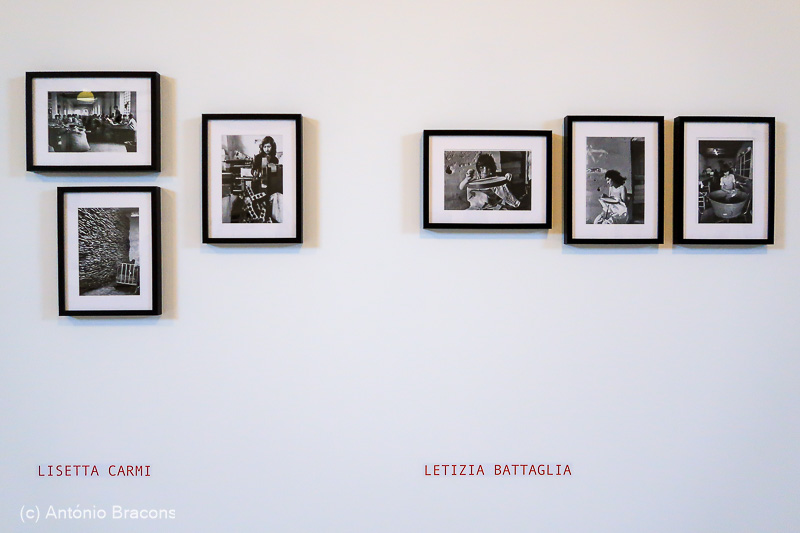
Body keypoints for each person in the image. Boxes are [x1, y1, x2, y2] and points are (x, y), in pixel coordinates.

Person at [230, 136, 284, 223]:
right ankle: (257, 217)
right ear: (262, 147)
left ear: (272, 147)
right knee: (257, 201)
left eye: (269, 147)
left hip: (269, 184)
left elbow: (276, 173)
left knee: (267, 201)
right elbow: (253, 170)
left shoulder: (275, 159)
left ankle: (266, 217)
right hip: (258, 183)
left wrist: (273, 168)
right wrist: (256, 172)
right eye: (265, 147)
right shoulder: (258, 157)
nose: (267, 149)